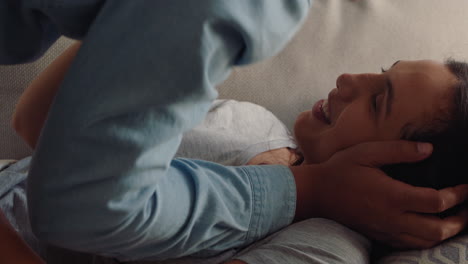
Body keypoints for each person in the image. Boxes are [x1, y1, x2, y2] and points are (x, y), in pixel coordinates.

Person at [2, 1, 468, 262]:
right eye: (380, 70)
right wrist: (135, 27)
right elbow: (36, 121)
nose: (349, 80)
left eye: (377, 101)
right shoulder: (253, 121)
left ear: (398, 177)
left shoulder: (323, 249)